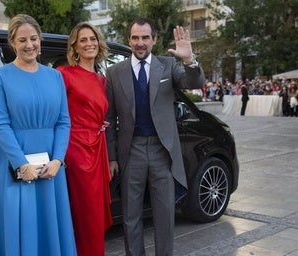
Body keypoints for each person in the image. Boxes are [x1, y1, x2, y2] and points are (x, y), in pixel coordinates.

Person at [106, 17, 205, 255]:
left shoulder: (168, 65)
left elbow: (194, 82)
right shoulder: (114, 72)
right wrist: (112, 157)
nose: (140, 43)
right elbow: (108, 120)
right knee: (130, 217)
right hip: (130, 152)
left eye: (145, 38)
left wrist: (189, 60)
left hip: (163, 152)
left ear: (154, 40)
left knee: (164, 215)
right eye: (136, 38)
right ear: (129, 40)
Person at [0, 14, 76, 255]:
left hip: (51, 166)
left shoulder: (55, 76)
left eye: (33, 38)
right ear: (12, 42)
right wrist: (21, 165)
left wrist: (58, 160)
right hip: (13, 163)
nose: (29, 45)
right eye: (22, 40)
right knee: (18, 224)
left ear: (40, 39)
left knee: (49, 224)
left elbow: (64, 121)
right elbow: (0, 125)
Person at [57, 22, 112, 256]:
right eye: (83, 40)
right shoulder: (64, 74)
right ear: (75, 47)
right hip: (77, 150)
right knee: (85, 213)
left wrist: (100, 121)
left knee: (96, 213)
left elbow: (92, 109)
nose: (89, 43)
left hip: (98, 148)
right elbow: (56, 112)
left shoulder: (101, 79)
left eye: (92, 38)